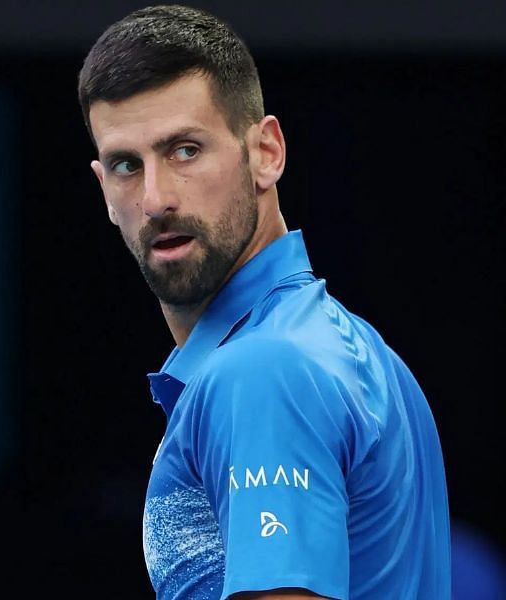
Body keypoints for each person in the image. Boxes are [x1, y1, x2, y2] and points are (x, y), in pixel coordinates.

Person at [77, 6, 449, 599]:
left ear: (266, 152)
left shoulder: (264, 369)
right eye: (127, 165)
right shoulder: (348, 346)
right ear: (103, 188)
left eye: (185, 150)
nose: (155, 199)